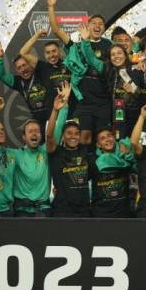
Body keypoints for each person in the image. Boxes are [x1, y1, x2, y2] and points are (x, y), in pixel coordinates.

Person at [46, 0, 111, 145]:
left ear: (103, 28)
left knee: (103, 138)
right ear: (87, 27)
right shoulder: (75, 45)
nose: (97, 25)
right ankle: (83, 167)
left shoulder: (109, 46)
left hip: (103, 102)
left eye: (100, 24)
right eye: (93, 23)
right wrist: (51, 6)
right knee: (83, 138)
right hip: (83, 103)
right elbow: (56, 30)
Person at [12, 93, 69, 217]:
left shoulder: (45, 151)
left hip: (43, 209)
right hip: (22, 211)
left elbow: (58, 128)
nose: (34, 134)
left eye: (37, 131)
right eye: (30, 131)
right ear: (24, 137)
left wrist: (63, 106)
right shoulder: (15, 155)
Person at [78, 24, 139, 139]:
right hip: (118, 112)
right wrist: (86, 41)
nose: (116, 57)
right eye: (113, 54)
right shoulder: (107, 69)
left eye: (119, 53)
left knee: (135, 143)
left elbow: (143, 94)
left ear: (125, 55)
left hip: (135, 113)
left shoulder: (136, 69)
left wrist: (133, 91)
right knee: (119, 139)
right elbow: (91, 58)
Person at [46, 83, 92, 218]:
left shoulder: (85, 151)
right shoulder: (57, 152)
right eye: (69, 133)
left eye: (76, 133)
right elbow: (49, 136)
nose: (73, 136)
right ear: (63, 136)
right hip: (63, 210)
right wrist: (55, 110)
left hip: (84, 211)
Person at [0, 40, 49, 126]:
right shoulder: (18, 82)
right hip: (37, 122)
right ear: (17, 70)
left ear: (30, 64)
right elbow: (2, 76)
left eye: (24, 65)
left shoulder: (41, 72)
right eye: (19, 67)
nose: (23, 69)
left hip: (52, 116)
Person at [19, 29, 72, 117]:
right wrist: (37, 35)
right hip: (52, 113)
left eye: (54, 51)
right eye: (48, 52)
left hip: (71, 110)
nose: (51, 55)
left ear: (59, 51)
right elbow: (23, 52)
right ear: (44, 55)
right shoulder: (42, 67)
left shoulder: (68, 63)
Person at [89, 127, 136, 218]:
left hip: (123, 213)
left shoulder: (126, 156)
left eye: (109, 136)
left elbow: (137, 168)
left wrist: (128, 153)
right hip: (101, 213)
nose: (107, 139)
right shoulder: (93, 160)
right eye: (102, 138)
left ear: (114, 138)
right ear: (98, 145)